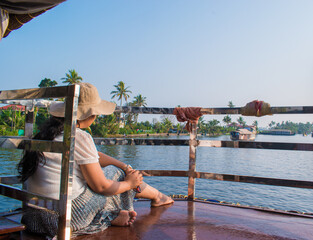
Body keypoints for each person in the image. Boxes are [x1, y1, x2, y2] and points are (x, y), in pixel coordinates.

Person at [17, 82, 173, 238]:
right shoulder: (79, 136)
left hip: (35, 217)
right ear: (89, 114)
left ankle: (136, 205)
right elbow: (101, 187)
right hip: (67, 217)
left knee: (114, 171)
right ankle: (138, 205)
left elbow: (95, 156)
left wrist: (124, 166)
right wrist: (129, 183)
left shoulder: (47, 135)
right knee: (114, 175)